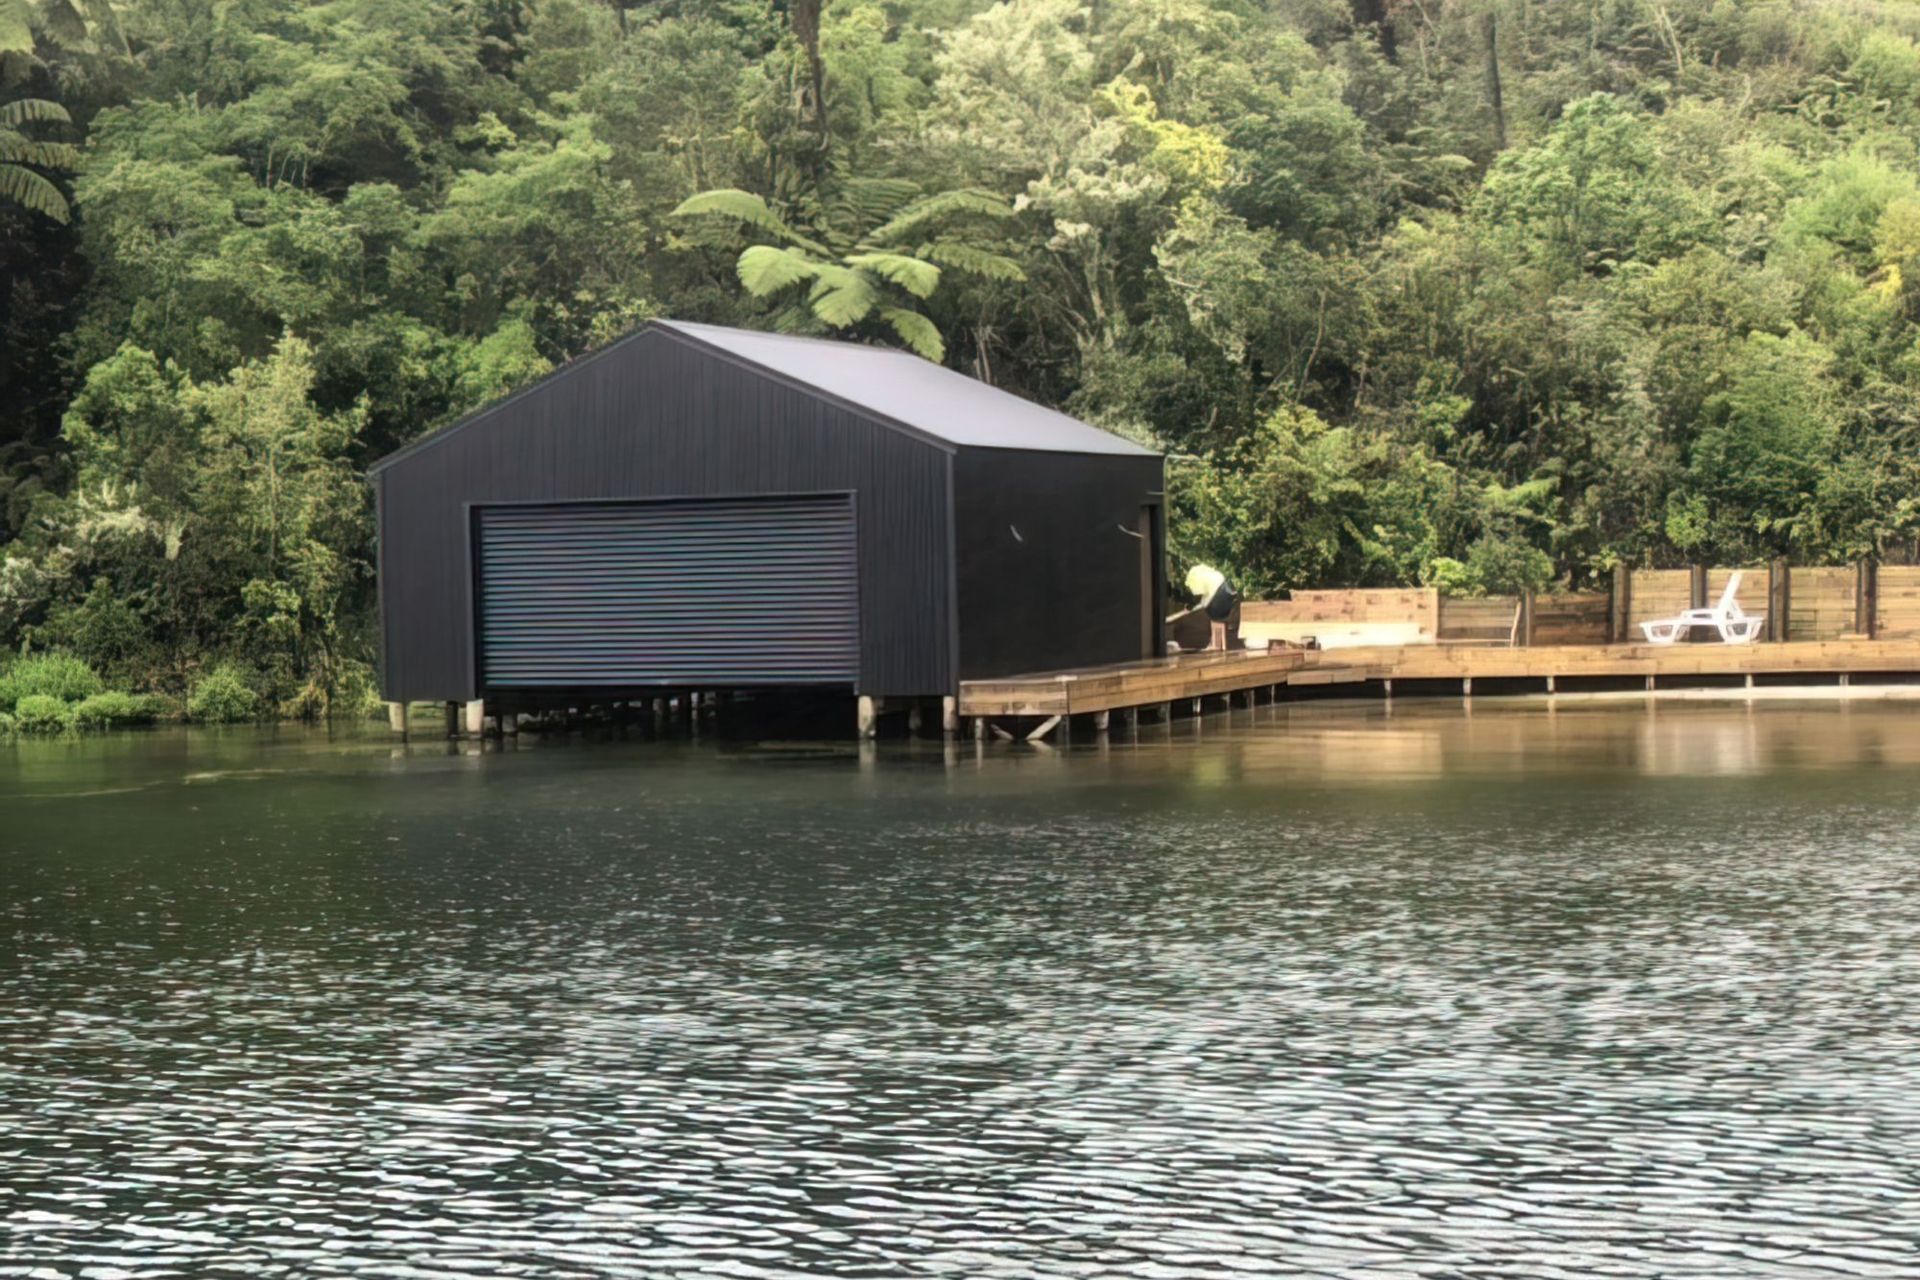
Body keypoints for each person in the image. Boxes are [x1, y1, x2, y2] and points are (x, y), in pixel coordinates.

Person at [1184, 563, 1237, 651]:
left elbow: (1205, 603)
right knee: (1208, 612)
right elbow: (1205, 600)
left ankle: (1213, 641)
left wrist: (1193, 608)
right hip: (1224, 597)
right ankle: (1215, 641)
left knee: (1206, 614)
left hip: (1219, 603)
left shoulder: (1205, 581)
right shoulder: (1214, 576)